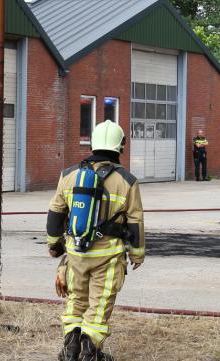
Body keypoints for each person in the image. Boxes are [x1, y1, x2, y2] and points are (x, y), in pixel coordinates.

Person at [46, 120, 145, 361]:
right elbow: (135, 221)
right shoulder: (127, 181)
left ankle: (70, 350)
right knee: (100, 303)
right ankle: (90, 353)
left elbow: (56, 213)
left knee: (76, 299)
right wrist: (137, 253)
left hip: (76, 253)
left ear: (92, 144)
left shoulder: (68, 175)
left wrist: (55, 245)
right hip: (107, 256)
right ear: (120, 147)